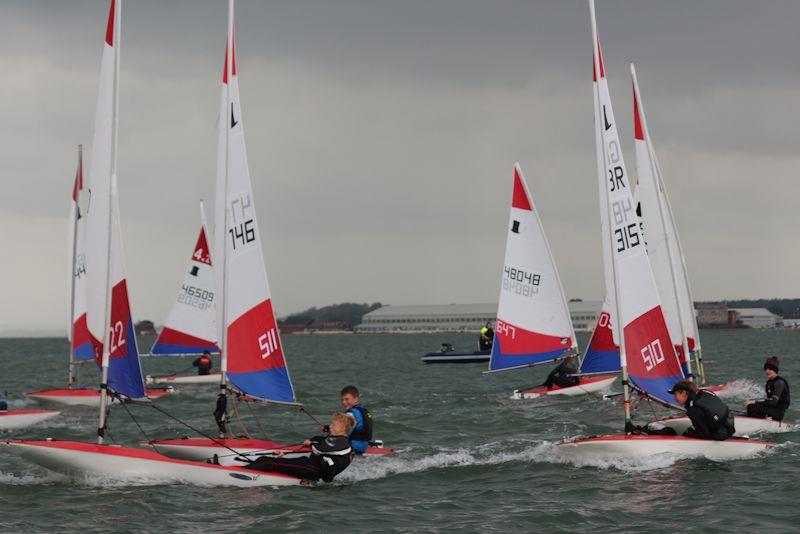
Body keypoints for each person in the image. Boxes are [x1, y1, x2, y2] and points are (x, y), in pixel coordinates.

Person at [244, 413, 354, 482]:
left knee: (267, 462)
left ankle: (244, 472)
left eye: (333, 424)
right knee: (264, 459)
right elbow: (321, 441)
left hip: (312, 470)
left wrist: (310, 444)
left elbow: (318, 449)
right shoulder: (339, 441)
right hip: (310, 465)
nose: (330, 426)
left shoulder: (341, 441)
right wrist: (286, 453)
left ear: (342, 428)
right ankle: (249, 466)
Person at [668, 379, 735, 440]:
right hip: (729, 425)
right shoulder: (705, 393)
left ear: (684, 393)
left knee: (688, 432)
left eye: (675, 394)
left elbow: (703, 435)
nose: (674, 398)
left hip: (721, 434)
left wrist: (688, 433)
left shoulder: (693, 409)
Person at [745, 357, 790, 421]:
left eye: (770, 369)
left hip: (777, 412)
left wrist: (754, 402)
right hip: (771, 409)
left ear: (775, 370)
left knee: (751, 407)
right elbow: (768, 400)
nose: (767, 371)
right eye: (766, 369)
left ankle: (761, 420)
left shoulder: (779, 383)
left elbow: (773, 402)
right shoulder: (769, 383)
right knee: (749, 407)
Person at [340, 385, 373, 454]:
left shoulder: (351, 414)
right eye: (342, 400)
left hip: (351, 449)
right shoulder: (363, 411)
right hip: (362, 448)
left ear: (356, 399)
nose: (343, 402)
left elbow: (342, 433)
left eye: (347, 399)